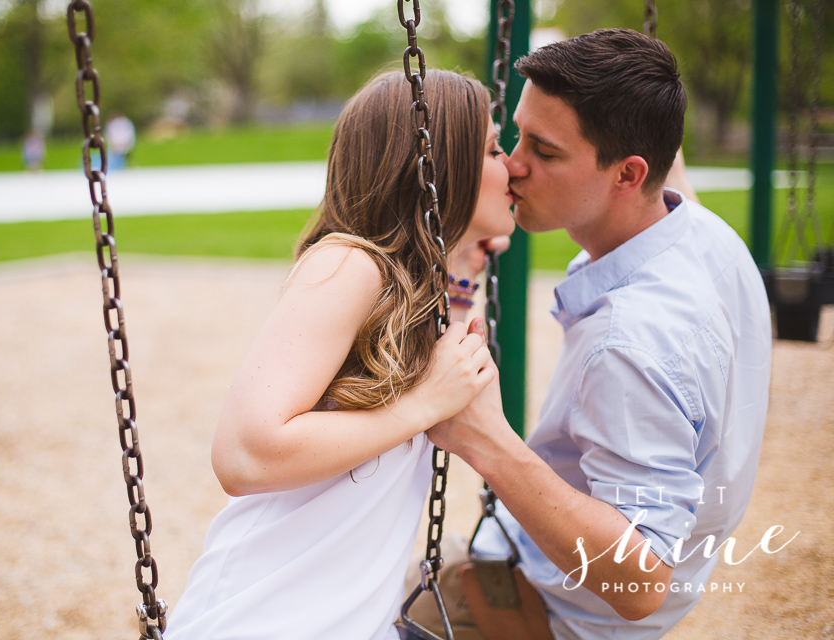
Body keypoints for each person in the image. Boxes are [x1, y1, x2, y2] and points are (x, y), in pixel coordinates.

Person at [427, 29, 773, 640]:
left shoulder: (630, 341)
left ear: (628, 174)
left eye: (546, 150)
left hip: (554, 609)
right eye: (516, 135)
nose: (513, 164)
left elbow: (640, 583)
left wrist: (486, 441)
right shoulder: (700, 233)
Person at [164, 69, 517, 640]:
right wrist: (420, 408)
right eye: (495, 149)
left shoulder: (412, 296)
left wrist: (463, 267)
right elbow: (242, 455)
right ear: (437, 166)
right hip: (259, 621)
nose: (514, 167)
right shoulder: (349, 265)